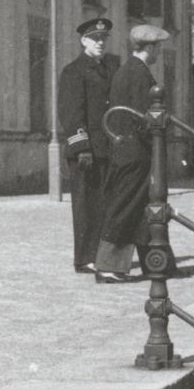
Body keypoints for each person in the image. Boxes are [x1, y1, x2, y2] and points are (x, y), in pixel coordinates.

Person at [94, 24, 170, 283]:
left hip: (130, 150)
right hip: (134, 153)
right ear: (148, 47)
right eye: (157, 46)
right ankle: (107, 265)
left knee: (142, 210)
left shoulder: (131, 70)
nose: (159, 51)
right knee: (125, 208)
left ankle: (157, 264)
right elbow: (143, 117)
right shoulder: (138, 74)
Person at [57, 17, 120, 274]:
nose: (100, 43)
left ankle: (97, 254)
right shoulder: (73, 71)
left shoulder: (108, 69)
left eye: (104, 39)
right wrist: (82, 147)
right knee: (85, 205)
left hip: (105, 148)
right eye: (95, 39)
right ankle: (84, 258)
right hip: (86, 151)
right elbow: (71, 113)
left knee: (102, 204)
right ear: (84, 41)